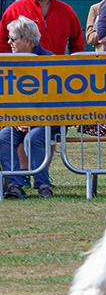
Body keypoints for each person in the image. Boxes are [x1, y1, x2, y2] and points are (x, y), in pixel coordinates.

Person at [1, 17, 56, 198]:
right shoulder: (10, 62)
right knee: (4, 137)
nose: (9, 43)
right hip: (20, 119)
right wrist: (16, 119)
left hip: (49, 119)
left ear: (27, 41)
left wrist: (32, 121)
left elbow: (55, 101)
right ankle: (14, 185)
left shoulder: (50, 61)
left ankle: (43, 185)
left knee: (32, 139)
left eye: (12, 39)